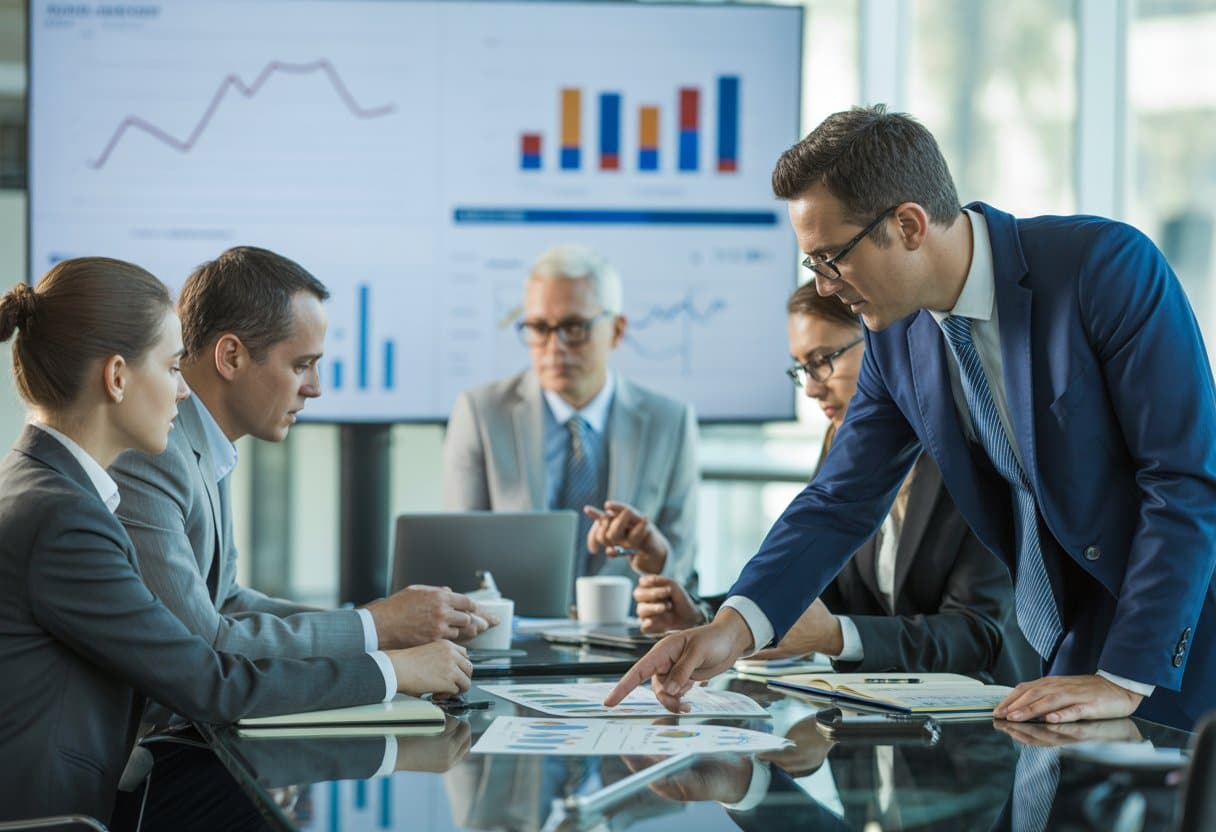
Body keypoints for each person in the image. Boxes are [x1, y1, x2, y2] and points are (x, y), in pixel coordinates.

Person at [607, 105, 1216, 731]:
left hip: (1177, 644)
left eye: (830, 257)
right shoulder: (897, 338)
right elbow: (840, 499)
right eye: (811, 263)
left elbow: (1182, 478)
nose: (822, 286)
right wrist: (730, 630)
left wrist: (1124, 674)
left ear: (908, 224)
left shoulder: (1105, 268)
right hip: (1065, 654)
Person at [0, 258, 472, 823]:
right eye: (173, 368)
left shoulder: (46, 486)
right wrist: (394, 669)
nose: (181, 392)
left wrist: (380, 641)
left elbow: (214, 616)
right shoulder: (65, 519)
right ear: (118, 377)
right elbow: (211, 681)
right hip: (59, 817)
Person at [109, 247, 491, 694]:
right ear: (231, 357)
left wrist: (383, 622)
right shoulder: (155, 454)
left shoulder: (200, 442)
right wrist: (377, 627)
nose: (316, 388)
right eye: (301, 365)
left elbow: (225, 601)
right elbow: (205, 641)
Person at [634, 283, 1037, 684]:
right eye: (802, 368)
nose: (811, 387)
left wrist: (837, 637)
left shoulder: (972, 451)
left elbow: (981, 634)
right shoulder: (841, 449)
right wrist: (710, 620)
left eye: (823, 359)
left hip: (983, 723)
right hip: (883, 715)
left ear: (882, 344)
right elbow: (820, 590)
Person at [442, 243, 699, 592]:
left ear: (617, 331)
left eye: (575, 327)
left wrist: (658, 563)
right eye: (538, 328)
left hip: (629, 634)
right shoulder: (481, 413)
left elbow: (682, 564)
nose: (555, 346)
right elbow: (459, 558)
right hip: (514, 632)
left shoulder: (670, 421)